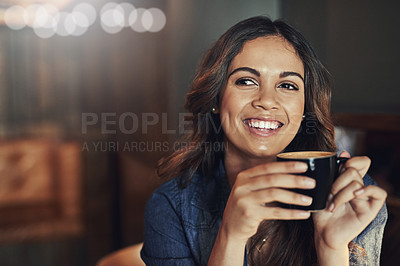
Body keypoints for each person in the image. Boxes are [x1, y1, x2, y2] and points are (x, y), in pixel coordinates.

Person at [140, 16, 387, 265]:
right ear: (216, 99)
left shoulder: (351, 195)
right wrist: (230, 236)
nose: (267, 100)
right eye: (246, 81)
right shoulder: (171, 205)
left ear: (304, 109)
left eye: (288, 85)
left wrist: (331, 248)